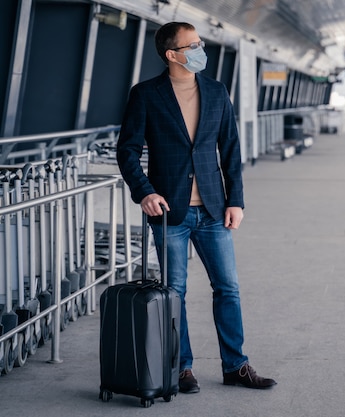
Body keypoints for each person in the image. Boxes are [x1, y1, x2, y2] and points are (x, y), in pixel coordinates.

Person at [116, 21, 276, 393]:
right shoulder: (146, 94)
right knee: (176, 293)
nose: (200, 49)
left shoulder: (217, 92)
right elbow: (127, 151)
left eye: (200, 42)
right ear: (172, 55)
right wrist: (144, 191)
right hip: (169, 211)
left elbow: (231, 151)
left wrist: (235, 200)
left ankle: (236, 366)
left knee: (228, 288)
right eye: (193, 45)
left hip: (213, 210)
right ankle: (181, 368)